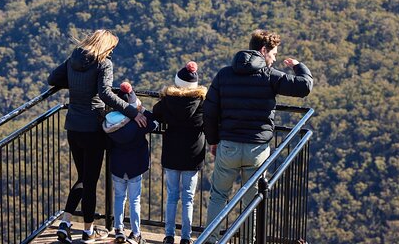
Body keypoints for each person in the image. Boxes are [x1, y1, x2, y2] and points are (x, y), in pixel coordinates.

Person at [203, 29, 313, 242]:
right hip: (257, 149)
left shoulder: (224, 74)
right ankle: (247, 241)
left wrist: (214, 140)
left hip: (228, 146)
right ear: (264, 50)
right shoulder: (270, 76)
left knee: (218, 196)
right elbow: (304, 86)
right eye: (273, 55)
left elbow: (209, 110)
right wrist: (298, 66)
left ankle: (210, 240)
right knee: (251, 201)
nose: (274, 60)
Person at [48, 29, 148, 244]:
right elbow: (105, 93)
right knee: (90, 181)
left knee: (82, 178)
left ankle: (65, 224)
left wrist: (78, 83)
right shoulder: (104, 63)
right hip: (93, 128)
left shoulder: (74, 57)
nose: (112, 51)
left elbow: (53, 78)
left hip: (73, 126)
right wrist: (133, 112)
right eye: (111, 48)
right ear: (106, 46)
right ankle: (87, 231)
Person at [152, 61, 207, 244]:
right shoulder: (202, 104)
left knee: (172, 196)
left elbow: (155, 113)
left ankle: (168, 235)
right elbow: (210, 121)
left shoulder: (167, 101)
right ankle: (185, 237)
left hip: (172, 153)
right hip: (193, 154)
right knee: (188, 199)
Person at [103, 81, 157, 244]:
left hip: (118, 165)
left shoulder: (109, 122)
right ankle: (135, 232)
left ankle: (118, 229)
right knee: (134, 200)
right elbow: (153, 123)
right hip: (135, 166)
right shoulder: (138, 123)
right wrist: (140, 109)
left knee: (119, 197)